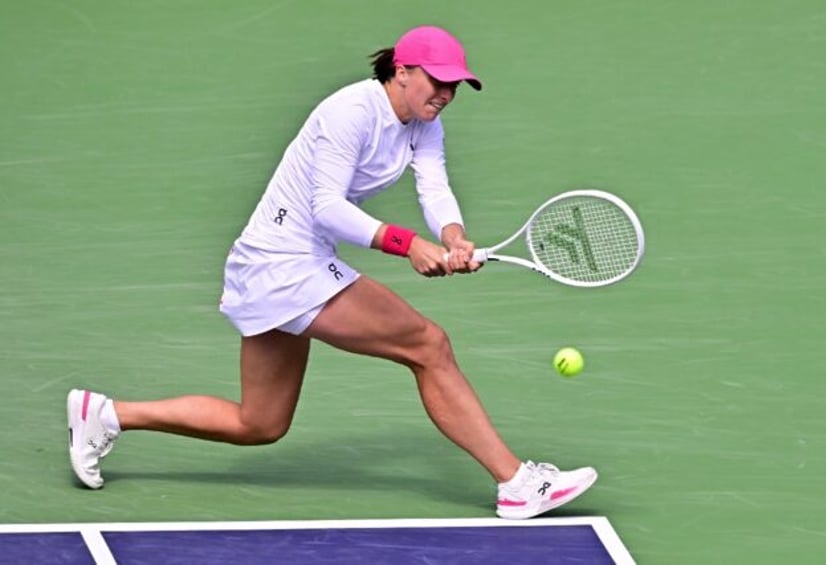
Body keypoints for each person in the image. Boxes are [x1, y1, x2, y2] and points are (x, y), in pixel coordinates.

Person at [66, 25, 597, 520]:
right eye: (439, 82)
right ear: (403, 71)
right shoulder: (351, 112)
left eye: (455, 87)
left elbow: (433, 187)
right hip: (282, 261)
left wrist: (453, 237)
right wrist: (407, 243)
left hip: (284, 262)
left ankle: (108, 414)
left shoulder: (423, 125)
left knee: (261, 423)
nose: (446, 94)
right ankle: (515, 482)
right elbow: (326, 207)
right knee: (428, 345)